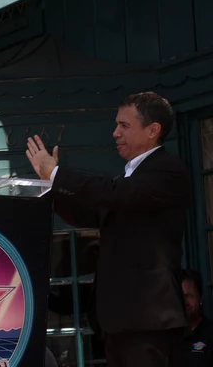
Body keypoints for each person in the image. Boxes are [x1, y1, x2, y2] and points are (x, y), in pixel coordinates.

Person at [26, 92, 190, 367]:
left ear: (153, 130)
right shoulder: (129, 177)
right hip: (119, 322)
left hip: (148, 322)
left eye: (124, 125)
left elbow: (114, 193)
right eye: (116, 125)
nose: (115, 133)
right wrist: (49, 184)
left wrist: (57, 174)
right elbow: (87, 213)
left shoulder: (167, 170)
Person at [174, 269, 213, 366]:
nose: (184, 302)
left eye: (189, 296)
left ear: (200, 299)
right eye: (181, 296)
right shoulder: (169, 336)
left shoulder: (210, 334)